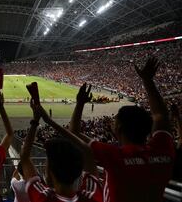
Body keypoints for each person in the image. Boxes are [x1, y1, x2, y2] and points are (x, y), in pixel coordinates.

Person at [68, 57, 175, 202]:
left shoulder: (115, 156)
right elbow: (161, 115)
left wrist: (80, 103)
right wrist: (148, 81)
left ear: (119, 128)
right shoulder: (162, 151)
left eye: (115, 119)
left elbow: (74, 132)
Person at [20, 98, 103, 202]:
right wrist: (49, 121)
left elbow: (24, 157)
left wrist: (36, 120)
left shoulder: (42, 197)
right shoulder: (92, 196)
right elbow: (87, 151)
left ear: (50, 173)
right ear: (78, 172)